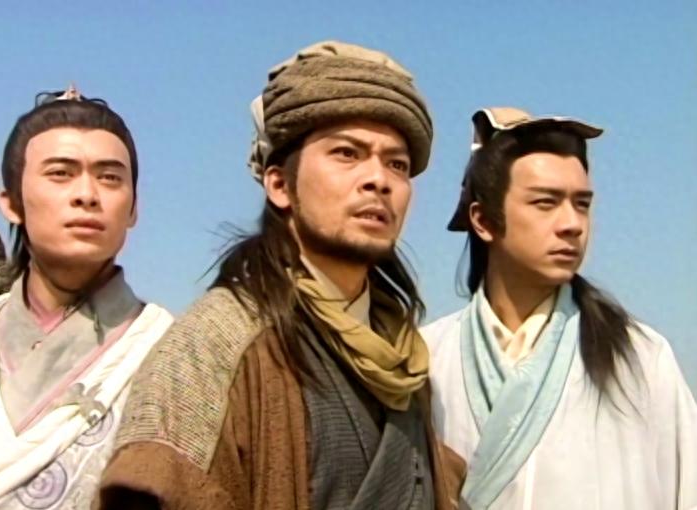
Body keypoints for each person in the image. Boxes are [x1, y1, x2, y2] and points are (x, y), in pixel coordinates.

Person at [97, 41, 465, 509]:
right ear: (279, 184)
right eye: (347, 153)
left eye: (397, 164)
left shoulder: (402, 357)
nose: (379, 180)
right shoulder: (212, 344)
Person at [422, 106, 697, 510]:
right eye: (545, 203)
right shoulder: (426, 359)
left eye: (581, 204)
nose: (573, 224)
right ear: (483, 221)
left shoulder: (640, 358)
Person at [0, 85, 173, 509]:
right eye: (61, 173)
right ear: (11, 203)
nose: (87, 195)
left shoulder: (175, 359)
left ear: (134, 207)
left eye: (109, 177)